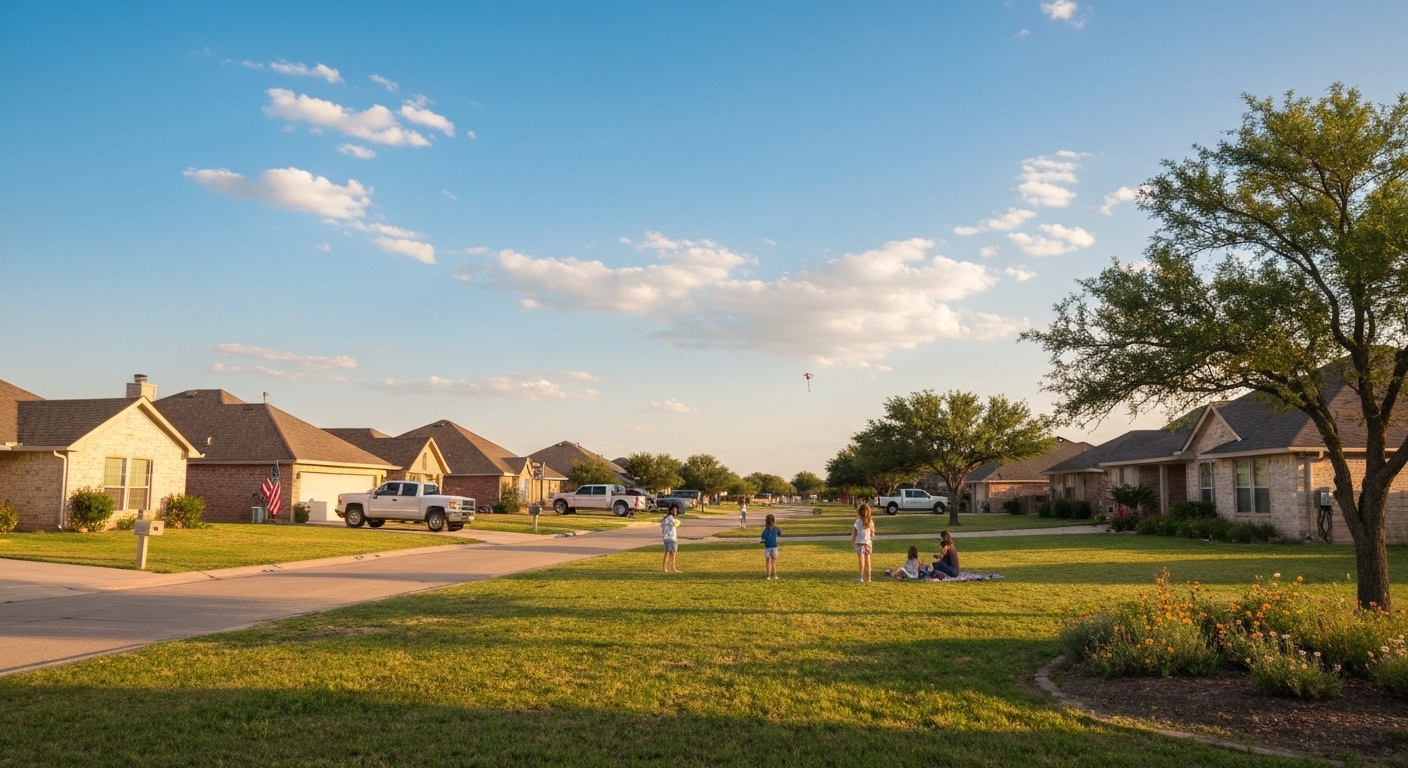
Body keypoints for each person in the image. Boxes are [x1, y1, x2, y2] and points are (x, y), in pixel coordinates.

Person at [851, 503, 875, 583]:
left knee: (861, 561)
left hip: (859, 543)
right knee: (868, 561)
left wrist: (853, 541)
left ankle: (861, 577)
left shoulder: (858, 521)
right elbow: (872, 533)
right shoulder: (870, 521)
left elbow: (854, 532)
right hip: (867, 544)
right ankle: (869, 578)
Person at [661, 507, 682, 574]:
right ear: (672, 511)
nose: (676, 512)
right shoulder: (672, 519)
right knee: (673, 555)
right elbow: (676, 524)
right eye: (675, 511)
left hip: (665, 538)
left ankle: (664, 568)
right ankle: (674, 568)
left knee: (666, 554)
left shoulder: (664, 519)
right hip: (672, 538)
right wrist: (678, 522)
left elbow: (662, 527)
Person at [760, 512, 781, 579]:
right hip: (774, 547)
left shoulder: (766, 530)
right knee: (773, 561)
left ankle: (768, 575)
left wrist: (764, 540)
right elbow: (780, 534)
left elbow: (762, 538)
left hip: (768, 547)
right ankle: (774, 574)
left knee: (768, 561)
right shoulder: (776, 529)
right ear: (774, 521)